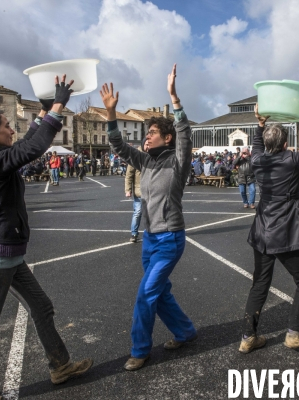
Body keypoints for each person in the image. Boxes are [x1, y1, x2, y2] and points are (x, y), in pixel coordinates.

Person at [0, 76, 91, 400]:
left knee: (41, 307)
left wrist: (43, 111)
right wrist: (57, 106)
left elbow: (24, 142)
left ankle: (60, 366)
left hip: (9, 255)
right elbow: (31, 148)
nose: (11, 129)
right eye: (5, 125)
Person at [101, 64, 197, 371]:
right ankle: (184, 331)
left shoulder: (178, 161)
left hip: (170, 238)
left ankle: (140, 350)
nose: (147, 136)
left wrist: (174, 98)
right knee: (161, 293)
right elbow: (117, 145)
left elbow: (185, 135)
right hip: (150, 239)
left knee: (146, 294)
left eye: (153, 132)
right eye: (148, 132)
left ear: (166, 138)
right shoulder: (145, 160)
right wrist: (111, 115)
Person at [239, 98, 299, 354]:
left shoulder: (257, 160)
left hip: (261, 229)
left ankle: (247, 337)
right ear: (285, 144)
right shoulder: (292, 160)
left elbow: (257, 147)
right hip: (284, 229)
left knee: (260, 283)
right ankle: (293, 334)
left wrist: (259, 126)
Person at [125, 140, 149, 243]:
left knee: (151, 213)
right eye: (147, 144)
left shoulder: (153, 156)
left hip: (150, 191)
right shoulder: (135, 156)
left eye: (150, 144)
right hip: (139, 191)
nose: (148, 146)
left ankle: (151, 233)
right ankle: (134, 234)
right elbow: (129, 175)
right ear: (143, 144)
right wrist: (128, 190)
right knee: (138, 212)